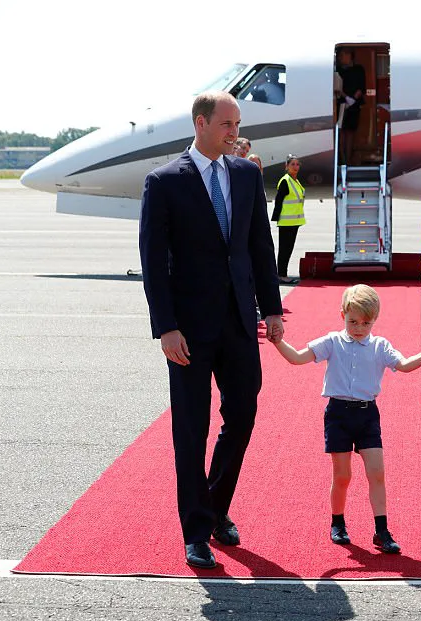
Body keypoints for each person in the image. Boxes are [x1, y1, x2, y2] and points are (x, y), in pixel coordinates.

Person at [139, 91, 284, 570]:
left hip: (241, 321)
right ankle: (196, 530)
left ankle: (217, 506)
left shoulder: (246, 174)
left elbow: (260, 246)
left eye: (237, 123)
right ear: (201, 123)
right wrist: (165, 328)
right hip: (188, 331)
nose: (234, 132)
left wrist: (273, 309)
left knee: (242, 414)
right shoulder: (163, 183)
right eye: (226, 123)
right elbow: (154, 264)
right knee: (190, 429)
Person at [272, 284, 421, 554]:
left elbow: (402, 365)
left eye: (366, 322)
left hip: (368, 414)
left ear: (374, 320)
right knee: (342, 475)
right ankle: (338, 522)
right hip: (338, 415)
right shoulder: (332, 342)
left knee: (377, 472)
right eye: (353, 321)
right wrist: (278, 342)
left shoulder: (380, 345)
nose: (359, 328)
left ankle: (381, 530)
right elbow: (297, 358)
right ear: (342, 315)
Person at [270, 155, 306, 284]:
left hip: (294, 221)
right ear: (286, 167)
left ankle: (282, 273)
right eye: (293, 164)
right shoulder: (285, 181)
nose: (296, 167)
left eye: (297, 164)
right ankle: (281, 275)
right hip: (286, 221)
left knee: (289, 249)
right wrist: (276, 218)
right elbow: (278, 201)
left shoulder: (295, 181)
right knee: (285, 249)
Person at [335, 48, 365, 165]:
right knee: (341, 131)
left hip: (354, 105)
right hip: (341, 103)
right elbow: (336, 88)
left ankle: (348, 160)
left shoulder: (359, 69)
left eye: (342, 55)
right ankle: (342, 159)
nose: (340, 58)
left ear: (349, 55)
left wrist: (353, 99)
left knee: (350, 132)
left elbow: (361, 87)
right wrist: (346, 98)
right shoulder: (337, 70)